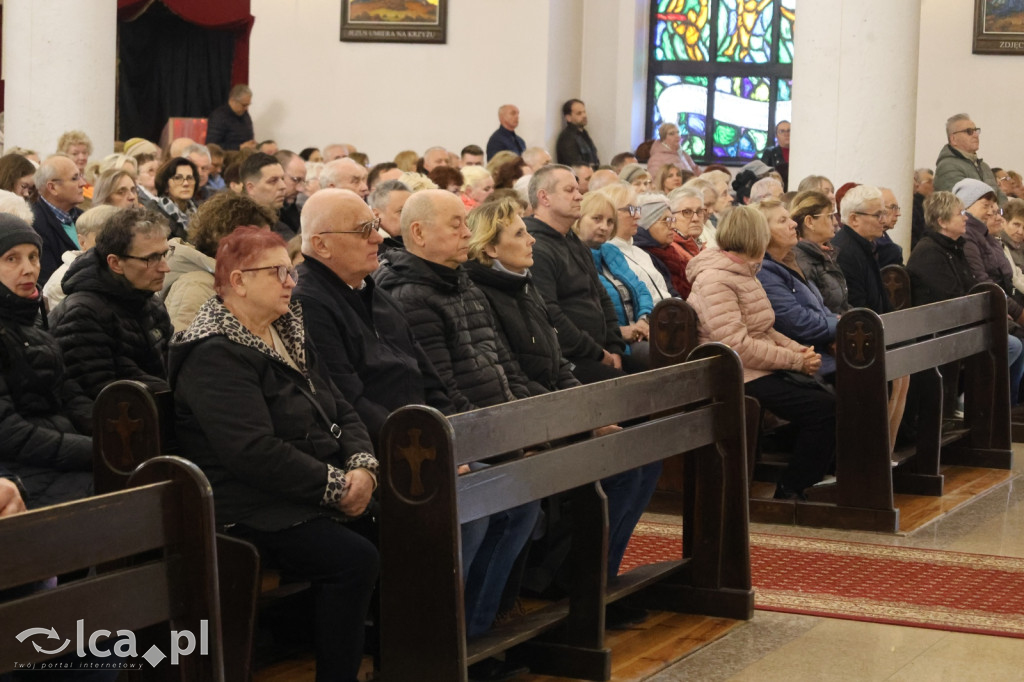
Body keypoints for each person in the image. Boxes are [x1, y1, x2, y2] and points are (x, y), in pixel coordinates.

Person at [169, 226, 377, 682]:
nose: (290, 281)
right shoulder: (213, 353)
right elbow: (252, 452)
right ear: (239, 281)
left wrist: (362, 466)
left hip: (299, 490)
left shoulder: (284, 331)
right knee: (354, 558)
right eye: (278, 272)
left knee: (406, 523)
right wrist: (338, 487)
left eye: (291, 270)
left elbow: (341, 406)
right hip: (249, 505)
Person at [464, 196, 658, 629]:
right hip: (526, 417)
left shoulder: (523, 284)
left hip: (548, 406)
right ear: (491, 248)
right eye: (519, 233)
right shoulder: (484, 293)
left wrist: (583, 414)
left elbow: (557, 363)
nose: (530, 238)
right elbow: (512, 374)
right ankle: (577, 580)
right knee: (619, 468)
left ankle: (601, 579)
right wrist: (571, 422)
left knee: (643, 455)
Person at [373, 190, 540, 647]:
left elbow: (503, 364)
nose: (468, 232)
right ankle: (452, 638)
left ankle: (480, 628)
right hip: (459, 436)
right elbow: (441, 389)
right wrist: (497, 436)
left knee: (524, 500)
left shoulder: (462, 281)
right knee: (499, 500)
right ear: (420, 234)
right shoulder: (409, 295)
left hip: (492, 426)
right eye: (456, 225)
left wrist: (530, 418)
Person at [686, 205, 835, 499]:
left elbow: (765, 327)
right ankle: (792, 489)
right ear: (754, 237)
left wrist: (800, 351)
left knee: (827, 400)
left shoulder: (744, 271)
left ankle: (808, 477)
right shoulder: (716, 279)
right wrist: (795, 361)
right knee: (824, 410)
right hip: (732, 373)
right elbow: (735, 345)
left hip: (754, 367)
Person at [292, 188, 451, 445]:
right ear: (322, 245)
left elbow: (428, 379)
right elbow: (346, 400)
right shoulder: (308, 304)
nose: (378, 238)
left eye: (375, 226)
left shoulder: (374, 291)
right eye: (364, 229)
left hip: (425, 436)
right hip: (384, 448)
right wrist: (424, 442)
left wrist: (452, 431)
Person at [0, 214, 93, 508]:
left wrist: (107, 434)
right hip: (18, 471)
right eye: (11, 259)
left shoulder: (32, 323)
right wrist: (93, 449)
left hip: (55, 457)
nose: (28, 269)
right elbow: (9, 432)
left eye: (33, 256)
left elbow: (68, 393)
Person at [49, 207, 173, 398]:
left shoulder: (149, 300)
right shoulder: (82, 315)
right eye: (151, 258)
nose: (165, 267)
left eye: (165, 254)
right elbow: (100, 398)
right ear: (115, 263)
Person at [524, 165, 629, 382]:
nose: (579, 196)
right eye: (570, 190)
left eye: (578, 190)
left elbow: (601, 297)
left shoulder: (573, 241)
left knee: (661, 378)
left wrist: (614, 347)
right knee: (640, 394)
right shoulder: (535, 246)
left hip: (599, 351)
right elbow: (550, 316)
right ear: (544, 197)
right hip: (567, 358)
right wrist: (598, 354)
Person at [162, 192, 276, 332]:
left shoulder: (229, 279)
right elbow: (183, 349)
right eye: (262, 242)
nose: (269, 250)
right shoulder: (196, 287)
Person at [755, 198, 838, 376]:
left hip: (821, 348)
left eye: (789, 218)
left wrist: (837, 329)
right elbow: (797, 322)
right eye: (782, 221)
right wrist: (842, 326)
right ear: (764, 232)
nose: (793, 224)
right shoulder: (764, 273)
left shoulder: (790, 261)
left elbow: (820, 307)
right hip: (803, 356)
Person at [574, 190, 652, 364]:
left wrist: (643, 320)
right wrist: (619, 331)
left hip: (638, 333)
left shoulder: (611, 251)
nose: (604, 227)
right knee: (660, 355)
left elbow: (641, 289)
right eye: (597, 219)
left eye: (610, 221)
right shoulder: (573, 257)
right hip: (611, 342)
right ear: (578, 219)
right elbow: (586, 314)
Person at [600, 183, 678, 304]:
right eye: (630, 209)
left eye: (637, 209)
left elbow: (665, 292)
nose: (638, 216)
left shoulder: (641, 253)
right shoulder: (605, 254)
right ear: (610, 213)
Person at [42, 205, 119, 310]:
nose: (113, 245)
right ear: (82, 242)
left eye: (119, 238)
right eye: (102, 239)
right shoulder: (61, 282)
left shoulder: (121, 267)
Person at [791, 190, 850, 314]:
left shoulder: (826, 253)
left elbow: (841, 304)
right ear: (810, 222)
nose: (835, 222)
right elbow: (814, 312)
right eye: (829, 216)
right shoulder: (802, 261)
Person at [31, 155, 87, 285]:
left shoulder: (82, 217)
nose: (83, 183)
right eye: (75, 178)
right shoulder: (34, 224)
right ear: (52, 188)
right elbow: (48, 281)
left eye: (80, 176)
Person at [934, 113, 1004, 203]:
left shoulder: (984, 166)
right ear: (953, 139)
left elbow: (1000, 196)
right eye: (969, 131)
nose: (976, 135)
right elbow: (962, 203)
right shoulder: (947, 166)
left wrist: (1002, 214)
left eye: (976, 130)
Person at [634, 193, 689, 299]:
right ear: (647, 223)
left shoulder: (671, 253)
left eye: (672, 220)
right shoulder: (642, 257)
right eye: (665, 221)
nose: (672, 226)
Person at [151, 156, 200, 240]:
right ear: (166, 185)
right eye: (178, 178)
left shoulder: (200, 211)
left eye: (190, 178)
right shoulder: (154, 214)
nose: (186, 183)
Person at [206, 84, 256, 151]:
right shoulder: (218, 117)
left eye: (248, 105)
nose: (246, 108)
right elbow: (211, 145)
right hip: (229, 158)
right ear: (232, 101)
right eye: (244, 105)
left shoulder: (245, 114)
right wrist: (239, 147)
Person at [555, 99, 599, 168]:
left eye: (584, 112)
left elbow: (594, 158)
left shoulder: (584, 133)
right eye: (579, 113)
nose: (584, 115)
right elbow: (575, 165)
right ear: (568, 118)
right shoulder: (567, 138)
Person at [275, 150, 307, 236]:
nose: (300, 189)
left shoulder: (293, 208)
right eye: (296, 180)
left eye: (303, 181)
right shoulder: (267, 216)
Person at [875, 187, 904, 267]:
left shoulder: (882, 235)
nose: (898, 214)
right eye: (893, 208)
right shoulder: (873, 243)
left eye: (897, 208)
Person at [912, 168, 934, 249]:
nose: (933, 185)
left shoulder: (928, 205)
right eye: (929, 182)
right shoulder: (913, 206)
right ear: (917, 184)